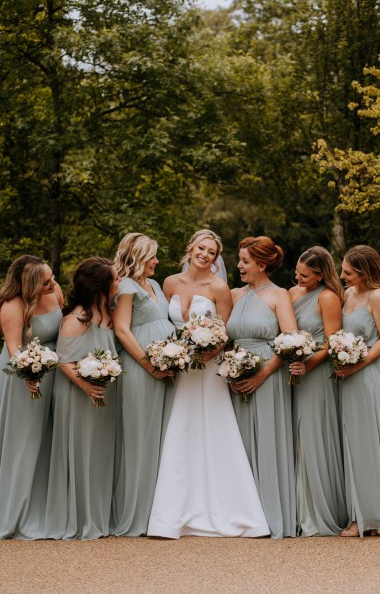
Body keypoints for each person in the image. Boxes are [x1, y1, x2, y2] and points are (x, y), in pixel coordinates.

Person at [147, 229, 269, 538]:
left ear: (216, 258)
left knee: (217, 428)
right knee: (180, 429)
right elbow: (165, 326)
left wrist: (206, 351)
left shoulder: (219, 287)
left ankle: (233, 510)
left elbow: (226, 332)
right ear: (190, 248)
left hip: (209, 367)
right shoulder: (169, 283)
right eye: (202, 248)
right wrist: (172, 355)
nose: (205, 254)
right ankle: (171, 515)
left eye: (211, 252)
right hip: (180, 370)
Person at [227, 236, 297, 539]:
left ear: (262, 264)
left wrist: (262, 375)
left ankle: (272, 514)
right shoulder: (232, 294)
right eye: (240, 260)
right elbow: (225, 338)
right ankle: (243, 515)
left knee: (267, 439)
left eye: (245, 261)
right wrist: (229, 370)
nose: (239, 266)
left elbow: (291, 341)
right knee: (238, 442)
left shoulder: (279, 295)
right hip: (236, 375)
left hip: (268, 375)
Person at [44, 258, 120, 540]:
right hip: (77, 396)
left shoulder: (110, 314)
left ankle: (100, 514)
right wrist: (87, 387)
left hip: (102, 397)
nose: (118, 283)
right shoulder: (75, 319)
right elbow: (63, 361)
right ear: (102, 286)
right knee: (81, 452)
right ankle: (79, 518)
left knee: (99, 454)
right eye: (115, 279)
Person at [112, 233, 175, 537]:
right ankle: (134, 513)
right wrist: (149, 365)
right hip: (140, 369)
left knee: (160, 439)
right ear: (137, 257)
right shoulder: (125, 287)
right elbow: (122, 330)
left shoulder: (157, 285)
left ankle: (157, 512)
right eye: (152, 257)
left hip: (164, 370)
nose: (156, 262)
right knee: (139, 438)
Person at [337, 245, 380, 537]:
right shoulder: (348, 294)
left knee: (366, 442)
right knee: (349, 443)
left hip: (365, 375)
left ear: (363, 271)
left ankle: (371, 517)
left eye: (348, 272)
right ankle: (359, 512)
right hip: (344, 374)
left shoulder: (378, 297)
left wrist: (357, 364)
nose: (342, 276)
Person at [0, 255, 63, 539]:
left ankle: (46, 508)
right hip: (22, 377)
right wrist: (28, 375)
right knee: (23, 441)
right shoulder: (13, 306)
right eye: (46, 281)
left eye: (51, 278)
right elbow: (14, 348)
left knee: (48, 438)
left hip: (53, 375)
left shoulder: (54, 291)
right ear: (30, 284)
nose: (52, 284)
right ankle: (15, 511)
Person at [288, 246, 348, 536]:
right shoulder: (292, 293)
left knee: (312, 435)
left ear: (321, 275)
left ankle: (316, 510)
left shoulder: (327, 297)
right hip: (291, 372)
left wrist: (308, 365)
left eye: (305, 275)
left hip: (315, 374)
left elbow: (330, 341)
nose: (298, 278)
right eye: (297, 272)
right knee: (293, 436)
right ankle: (295, 509)